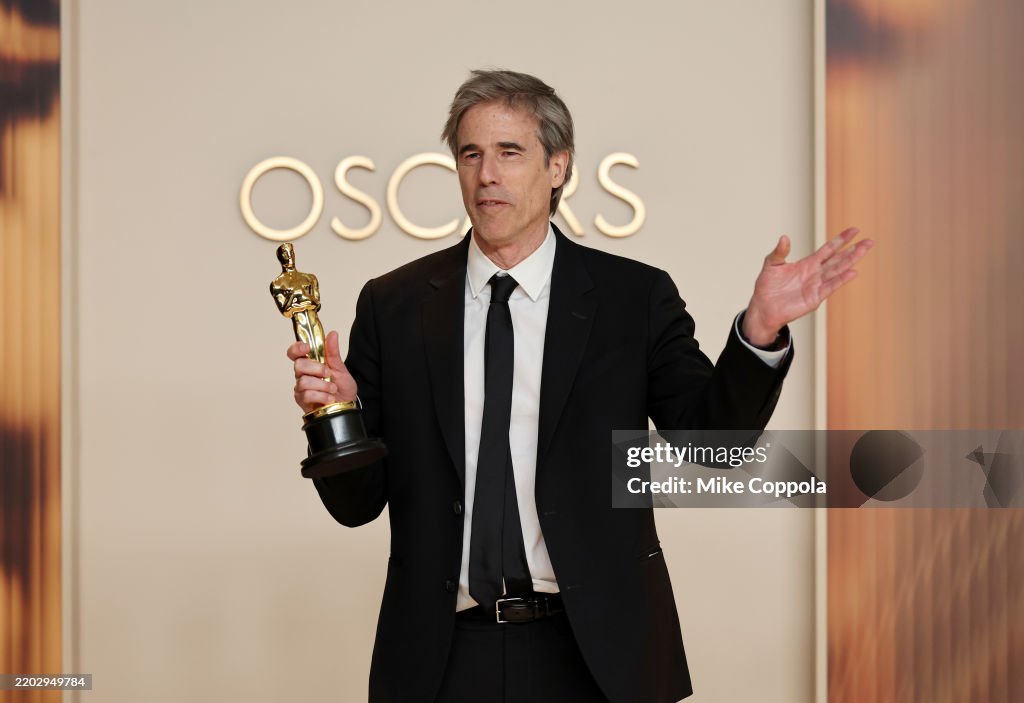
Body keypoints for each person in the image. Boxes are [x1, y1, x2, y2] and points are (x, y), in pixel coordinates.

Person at [286, 70, 872, 703]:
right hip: (442, 657)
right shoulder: (394, 305)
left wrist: (759, 332)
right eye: (470, 153)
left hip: (597, 657)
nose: (487, 175)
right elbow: (357, 505)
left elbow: (711, 444)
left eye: (510, 152)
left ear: (558, 166)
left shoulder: (632, 298)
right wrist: (334, 413)